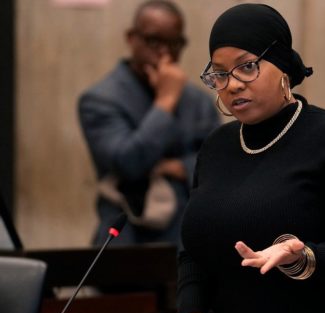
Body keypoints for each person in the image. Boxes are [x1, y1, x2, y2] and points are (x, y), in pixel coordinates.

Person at [176, 4, 325, 313]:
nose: (232, 84)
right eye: (220, 73)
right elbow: (195, 248)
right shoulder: (216, 147)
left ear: (283, 67)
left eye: (246, 67)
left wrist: (305, 258)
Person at [78, 0, 220, 247]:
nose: (165, 53)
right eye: (154, 42)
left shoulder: (199, 101)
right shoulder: (99, 100)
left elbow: (218, 163)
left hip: (188, 238)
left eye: (175, 43)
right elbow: (128, 163)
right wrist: (165, 101)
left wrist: (180, 167)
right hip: (127, 241)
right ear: (132, 38)